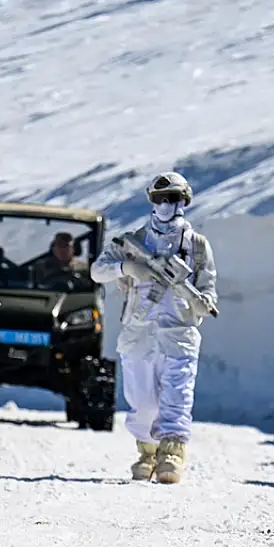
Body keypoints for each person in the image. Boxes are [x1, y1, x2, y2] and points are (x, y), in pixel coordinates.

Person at [90, 172, 217, 484]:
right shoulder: (133, 242)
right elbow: (97, 270)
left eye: (172, 198)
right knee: (143, 402)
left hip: (179, 334)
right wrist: (127, 267)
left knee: (177, 396)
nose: (165, 205)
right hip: (139, 335)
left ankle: (172, 453)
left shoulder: (197, 247)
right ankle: (147, 452)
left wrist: (200, 301)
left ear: (183, 201)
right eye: (160, 199)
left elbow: (209, 288)